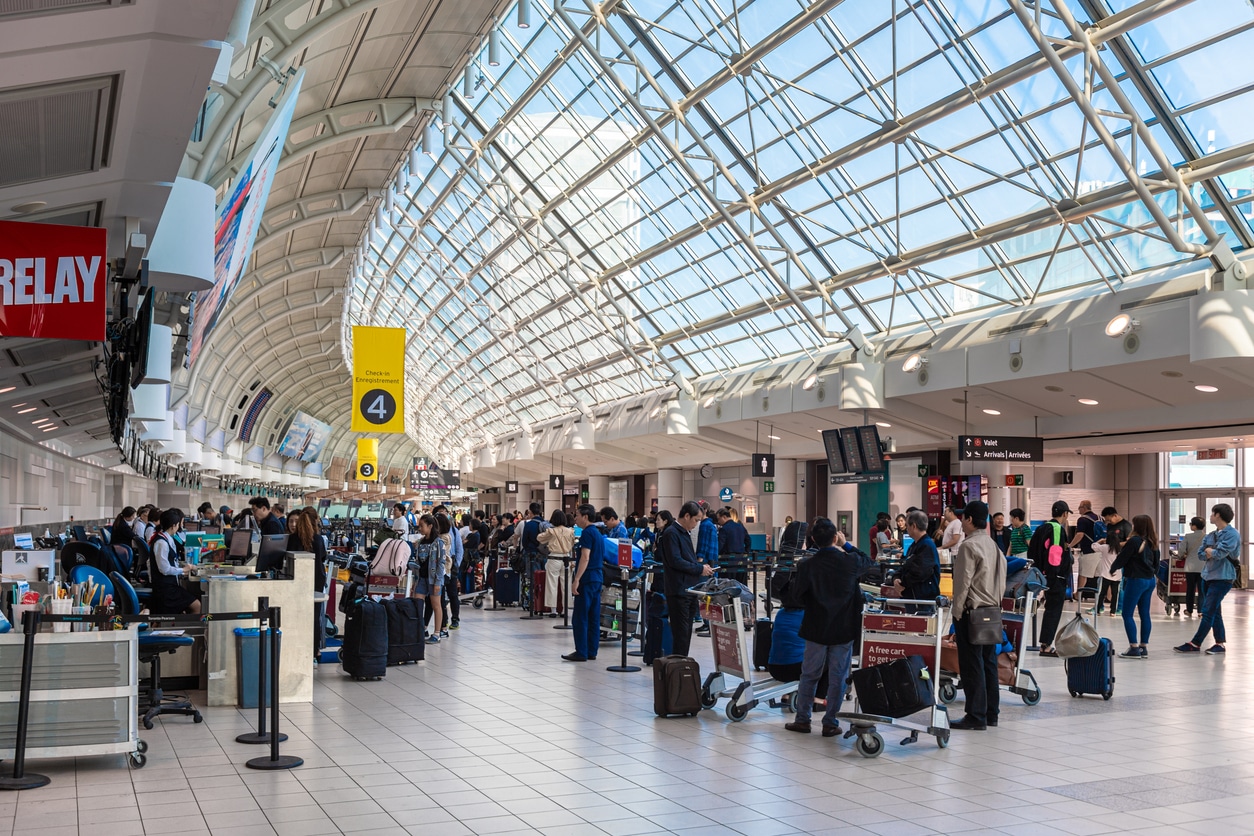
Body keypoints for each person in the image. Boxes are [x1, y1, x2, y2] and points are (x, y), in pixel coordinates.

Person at [783, 518, 870, 736]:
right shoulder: (849, 562)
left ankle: (803, 720)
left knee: (809, 674)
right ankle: (830, 722)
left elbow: (796, 595)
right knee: (838, 676)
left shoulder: (807, 565)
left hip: (815, 627)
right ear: (835, 537)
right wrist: (846, 544)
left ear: (812, 539)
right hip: (843, 629)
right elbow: (869, 561)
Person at [950, 501, 1006, 730]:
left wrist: (957, 612)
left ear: (970, 520)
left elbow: (962, 583)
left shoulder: (969, 546)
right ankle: (991, 714)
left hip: (971, 613)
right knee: (989, 663)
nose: (962, 521)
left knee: (972, 665)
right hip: (992, 610)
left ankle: (975, 716)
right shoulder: (994, 546)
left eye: (964, 518)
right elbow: (1002, 579)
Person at [1176, 503, 1240, 655]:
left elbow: (1220, 554)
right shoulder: (1212, 535)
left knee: (1208, 610)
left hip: (1223, 577)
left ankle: (1196, 643)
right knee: (1215, 611)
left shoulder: (1232, 534)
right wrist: (1210, 551)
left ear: (1218, 515)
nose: (1210, 516)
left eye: (1212, 513)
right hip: (1208, 576)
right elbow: (1201, 554)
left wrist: (1211, 551)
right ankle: (1220, 643)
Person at [658, 501, 714, 657]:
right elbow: (675, 561)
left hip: (688, 590)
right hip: (678, 591)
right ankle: (678, 667)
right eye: (695, 520)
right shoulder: (672, 533)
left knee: (686, 632)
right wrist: (698, 568)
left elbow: (687, 559)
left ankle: (682, 665)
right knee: (681, 634)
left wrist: (700, 567)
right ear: (687, 515)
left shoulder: (684, 533)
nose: (696, 524)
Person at [1109, 514, 1158, 659]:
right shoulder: (1153, 542)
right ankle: (1143, 647)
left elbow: (1122, 558)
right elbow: (1157, 563)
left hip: (1136, 580)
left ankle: (1134, 647)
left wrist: (1112, 569)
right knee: (1144, 613)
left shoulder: (1135, 541)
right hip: (1150, 580)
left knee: (1127, 613)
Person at [1028, 500, 1073, 657]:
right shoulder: (1056, 528)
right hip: (1055, 577)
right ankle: (1046, 646)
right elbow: (1055, 552)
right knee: (1054, 610)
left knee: (1049, 610)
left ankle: (1044, 644)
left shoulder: (1041, 528)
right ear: (1065, 514)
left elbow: (1032, 551)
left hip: (1043, 574)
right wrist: (1054, 575)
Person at [565, 504, 607, 662]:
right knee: (593, 616)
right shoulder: (597, 533)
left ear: (585, 517)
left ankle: (581, 651)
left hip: (587, 578)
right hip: (597, 577)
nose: (575, 518)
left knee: (580, 616)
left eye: (577, 515)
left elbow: (585, 557)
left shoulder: (587, 534)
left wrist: (576, 579)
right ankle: (591, 650)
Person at [289, 508, 329, 659]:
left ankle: (298, 647)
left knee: (298, 614)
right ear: (316, 520)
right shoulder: (318, 539)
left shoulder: (292, 539)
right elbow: (323, 557)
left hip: (297, 580)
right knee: (314, 615)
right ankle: (315, 650)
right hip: (317, 580)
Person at [149, 509, 201, 615]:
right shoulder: (161, 542)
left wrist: (182, 571)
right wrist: (183, 569)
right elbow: (164, 569)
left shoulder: (167, 538)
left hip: (169, 585)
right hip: (165, 589)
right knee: (197, 606)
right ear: (174, 525)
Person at [412, 515, 446, 644]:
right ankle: (420, 629)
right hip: (421, 578)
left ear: (430, 526)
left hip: (433, 580)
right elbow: (417, 561)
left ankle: (437, 633)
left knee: (436, 605)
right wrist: (414, 581)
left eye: (422, 526)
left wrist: (438, 581)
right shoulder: (420, 543)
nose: (419, 528)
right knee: (417, 604)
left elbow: (441, 563)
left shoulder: (438, 542)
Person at [895, 510, 940, 601]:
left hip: (922, 598)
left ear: (914, 526)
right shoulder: (915, 545)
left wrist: (902, 583)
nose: (906, 529)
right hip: (913, 595)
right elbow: (906, 565)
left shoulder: (927, 545)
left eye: (907, 526)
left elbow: (920, 572)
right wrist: (896, 578)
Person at [537, 510, 574, 616]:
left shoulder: (551, 531)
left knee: (552, 584)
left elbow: (539, 538)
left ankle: (553, 610)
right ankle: (565, 610)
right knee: (566, 585)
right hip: (566, 559)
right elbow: (572, 544)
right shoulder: (570, 531)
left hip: (554, 558)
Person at [694, 508, 720, 637]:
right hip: (713, 561)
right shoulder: (712, 525)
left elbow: (702, 544)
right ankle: (707, 623)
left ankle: (707, 623)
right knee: (710, 592)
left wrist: (699, 559)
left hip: (706, 563)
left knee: (704, 593)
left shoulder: (704, 525)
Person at [1179, 516, 1207, 617]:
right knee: (1202, 590)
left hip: (1190, 568)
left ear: (1194, 526)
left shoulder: (1188, 536)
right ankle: (1201, 611)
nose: (1190, 526)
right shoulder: (1207, 537)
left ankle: (1189, 610)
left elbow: (1181, 551)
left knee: (1190, 589)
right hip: (1203, 567)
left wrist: (1182, 556)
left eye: (1191, 524)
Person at [1072, 501, 1100, 595]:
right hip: (1100, 550)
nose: (1078, 509)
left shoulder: (1082, 519)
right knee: (1101, 575)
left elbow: (1080, 535)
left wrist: (1070, 545)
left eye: (1079, 507)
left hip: (1089, 551)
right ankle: (1107, 596)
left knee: (1083, 574)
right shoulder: (1099, 518)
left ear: (1084, 508)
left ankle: (1077, 595)